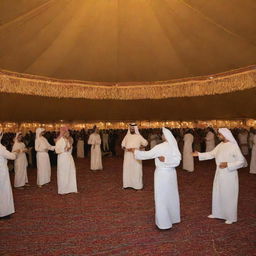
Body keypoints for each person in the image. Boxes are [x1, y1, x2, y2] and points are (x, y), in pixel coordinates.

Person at [193, 128, 247, 224]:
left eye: (219, 134)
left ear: (225, 135)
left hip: (229, 174)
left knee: (229, 194)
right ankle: (217, 213)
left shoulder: (233, 146)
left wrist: (228, 164)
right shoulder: (221, 145)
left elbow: (241, 161)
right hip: (219, 173)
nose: (218, 136)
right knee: (218, 192)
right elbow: (211, 154)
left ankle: (230, 217)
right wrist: (199, 154)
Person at [133, 127, 181, 230]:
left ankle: (164, 223)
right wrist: (168, 160)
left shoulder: (161, 147)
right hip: (172, 173)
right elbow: (178, 161)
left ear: (165, 136)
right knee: (171, 196)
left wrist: (136, 152)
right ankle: (173, 217)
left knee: (161, 197)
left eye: (162, 134)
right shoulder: (174, 145)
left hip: (162, 175)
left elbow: (147, 155)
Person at [121, 124, 148, 190]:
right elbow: (122, 144)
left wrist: (139, 148)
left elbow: (146, 143)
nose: (132, 129)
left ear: (135, 128)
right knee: (128, 169)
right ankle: (127, 184)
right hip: (127, 156)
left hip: (136, 156)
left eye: (133, 128)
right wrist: (125, 148)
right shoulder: (127, 136)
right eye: (131, 128)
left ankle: (137, 186)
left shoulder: (139, 136)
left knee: (136, 170)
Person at [55, 127, 78, 195]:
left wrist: (68, 148)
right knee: (63, 173)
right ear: (64, 133)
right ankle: (63, 190)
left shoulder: (67, 140)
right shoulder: (59, 140)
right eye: (67, 132)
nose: (68, 133)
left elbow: (68, 149)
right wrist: (64, 149)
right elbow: (57, 150)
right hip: (62, 158)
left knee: (71, 172)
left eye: (68, 132)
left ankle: (71, 188)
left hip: (69, 158)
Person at [0, 130, 17, 219]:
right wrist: (15, 153)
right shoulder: (1, 148)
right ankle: (4, 212)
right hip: (2, 173)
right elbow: (12, 156)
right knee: (4, 191)